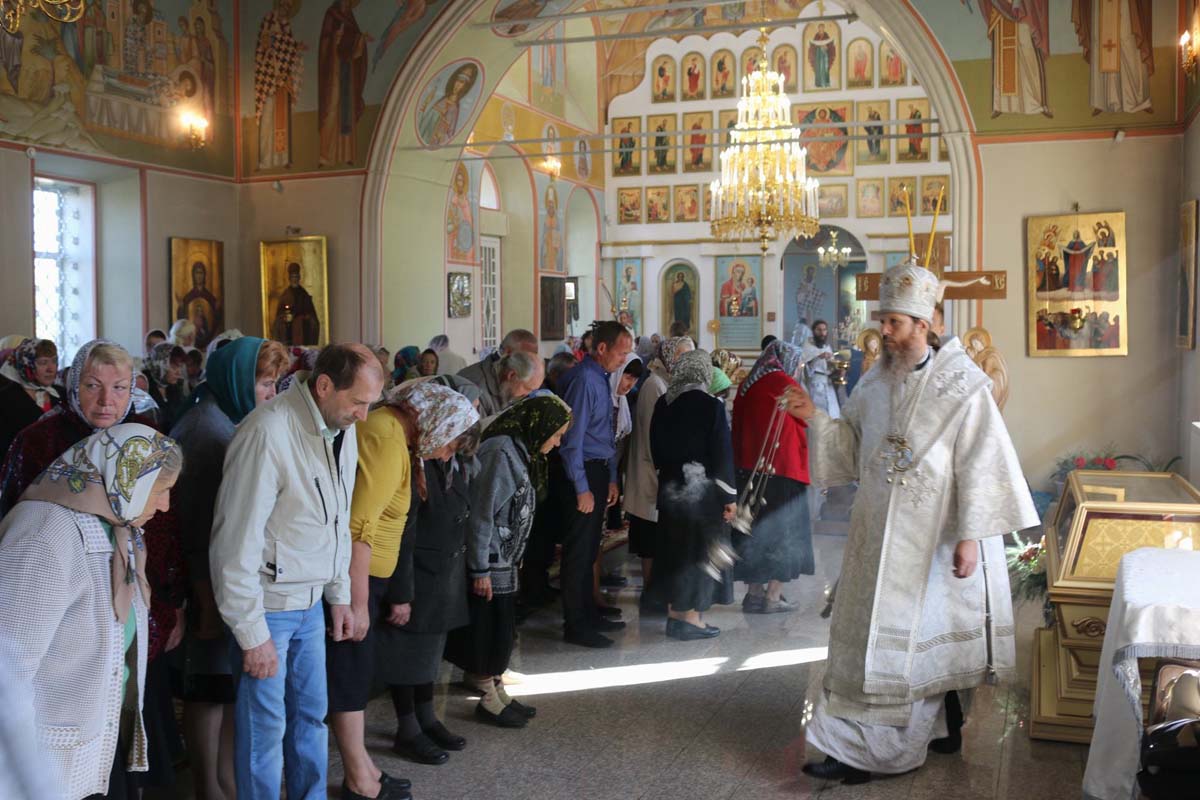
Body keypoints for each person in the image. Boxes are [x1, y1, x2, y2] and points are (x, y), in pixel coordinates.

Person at [795, 260, 1038, 784]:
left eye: (894, 323)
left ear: (923, 325)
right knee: (868, 639)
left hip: (936, 537)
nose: (882, 331)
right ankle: (885, 736)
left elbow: (982, 462)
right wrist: (811, 418)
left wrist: (971, 537)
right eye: (882, 320)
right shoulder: (874, 383)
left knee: (915, 647)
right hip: (876, 530)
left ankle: (878, 752)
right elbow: (852, 445)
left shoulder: (965, 387)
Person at [209, 343, 384, 800]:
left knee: (311, 718)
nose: (364, 416)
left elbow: (337, 520)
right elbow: (235, 541)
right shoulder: (268, 431)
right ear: (324, 386)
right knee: (264, 732)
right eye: (358, 402)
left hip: (308, 606)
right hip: (268, 608)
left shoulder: (338, 429)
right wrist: (251, 632)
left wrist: (339, 593)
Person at [0, 423, 181, 799]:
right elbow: (6, 673)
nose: (165, 505)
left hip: (91, 754)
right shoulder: (43, 535)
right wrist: (32, 784)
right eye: (160, 489)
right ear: (127, 477)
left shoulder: (117, 528)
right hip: (45, 770)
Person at [332, 379, 475, 799]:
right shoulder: (385, 435)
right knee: (349, 678)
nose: (447, 450)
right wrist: (358, 600)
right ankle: (359, 777)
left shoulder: (401, 440)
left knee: (354, 678)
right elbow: (361, 524)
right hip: (361, 580)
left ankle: (363, 771)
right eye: (449, 439)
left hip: (372, 578)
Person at [169, 337, 289, 800]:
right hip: (208, 585)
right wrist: (205, 601)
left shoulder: (230, 419)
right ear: (238, 380)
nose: (270, 393)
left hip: (226, 581)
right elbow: (199, 529)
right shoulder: (206, 431)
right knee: (207, 685)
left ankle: (228, 782)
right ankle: (209, 787)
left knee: (224, 684)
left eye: (274, 382)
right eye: (263, 382)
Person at [448, 394, 571, 726]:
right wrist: (479, 568)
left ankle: (494, 686)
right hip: (488, 558)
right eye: (556, 434)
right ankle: (488, 696)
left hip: (503, 559)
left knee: (500, 629)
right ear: (539, 425)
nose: (558, 443)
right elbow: (482, 513)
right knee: (488, 629)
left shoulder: (520, 449)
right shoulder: (502, 452)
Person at [376, 381, 480, 766]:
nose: (451, 449)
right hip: (416, 578)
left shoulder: (436, 459)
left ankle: (427, 717)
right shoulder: (409, 461)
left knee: (428, 657)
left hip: (440, 577)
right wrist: (401, 593)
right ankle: (408, 728)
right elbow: (403, 532)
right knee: (406, 657)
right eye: (450, 440)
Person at [554, 320, 632, 648]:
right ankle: (575, 624)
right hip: (581, 470)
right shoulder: (585, 379)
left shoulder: (600, 377)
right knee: (578, 551)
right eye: (621, 352)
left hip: (597, 469)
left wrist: (611, 477)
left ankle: (588, 612)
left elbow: (603, 434)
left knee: (589, 550)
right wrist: (581, 486)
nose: (624, 359)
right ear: (601, 348)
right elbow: (573, 439)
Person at [649, 350, 736, 640]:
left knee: (674, 551)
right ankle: (691, 619)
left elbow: (655, 449)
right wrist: (729, 497)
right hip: (703, 496)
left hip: (672, 491)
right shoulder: (711, 405)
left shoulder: (665, 402)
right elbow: (722, 453)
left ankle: (675, 615)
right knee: (698, 554)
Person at [732, 340, 813, 613]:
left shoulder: (748, 383)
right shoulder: (786, 383)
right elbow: (806, 419)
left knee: (755, 532)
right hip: (785, 470)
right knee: (784, 535)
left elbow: (737, 424)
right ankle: (773, 597)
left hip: (750, 470)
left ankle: (754, 594)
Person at [624, 335, 693, 616]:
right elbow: (654, 432)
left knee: (656, 536)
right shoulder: (655, 384)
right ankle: (652, 594)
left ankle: (656, 592)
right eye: (681, 356)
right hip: (651, 470)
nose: (684, 361)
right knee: (650, 539)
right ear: (668, 356)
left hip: (658, 470)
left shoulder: (667, 381)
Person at [0, 338, 60, 458]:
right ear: (26, 364)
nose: (51, 369)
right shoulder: (5, 399)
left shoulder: (61, 394)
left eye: (54, 361)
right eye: (43, 363)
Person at [458, 349, 543, 420]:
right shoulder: (475, 390)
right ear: (511, 375)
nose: (527, 394)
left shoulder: (505, 386)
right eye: (527, 388)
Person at [144, 342, 190, 430]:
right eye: (174, 367)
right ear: (161, 364)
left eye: (180, 367)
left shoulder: (174, 387)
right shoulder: (145, 386)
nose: (179, 373)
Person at [801, 319, 841, 419]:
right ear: (813, 331)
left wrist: (838, 369)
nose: (822, 333)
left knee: (832, 414)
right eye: (819, 330)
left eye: (824, 330)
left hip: (828, 384)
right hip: (814, 385)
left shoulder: (827, 347)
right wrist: (819, 356)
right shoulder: (808, 346)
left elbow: (831, 366)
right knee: (817, 416)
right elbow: (805, 366)